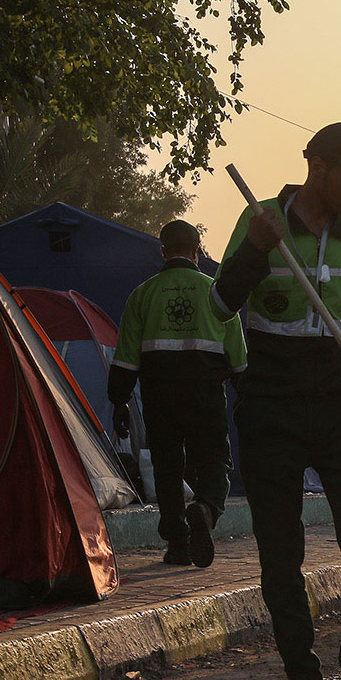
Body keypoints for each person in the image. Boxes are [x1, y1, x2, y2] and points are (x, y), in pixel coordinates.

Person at [214, 122, 341, 680]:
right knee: (280, 550)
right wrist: (254, 250)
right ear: (317, 167)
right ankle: (301, 676)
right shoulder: (260, 221)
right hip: (271, 406)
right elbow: (220, 304)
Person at [109, 219, 244, 568]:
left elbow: (125, 358)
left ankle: (178, 544)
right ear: (197, 251)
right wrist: (246, 397)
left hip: (159, 396)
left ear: (163, 251)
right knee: (214, 459)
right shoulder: (217, 294)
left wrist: (119, 402)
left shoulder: (142, 295)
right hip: (206, 394)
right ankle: (206, 508)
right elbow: (239, 361)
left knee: (168, 468)